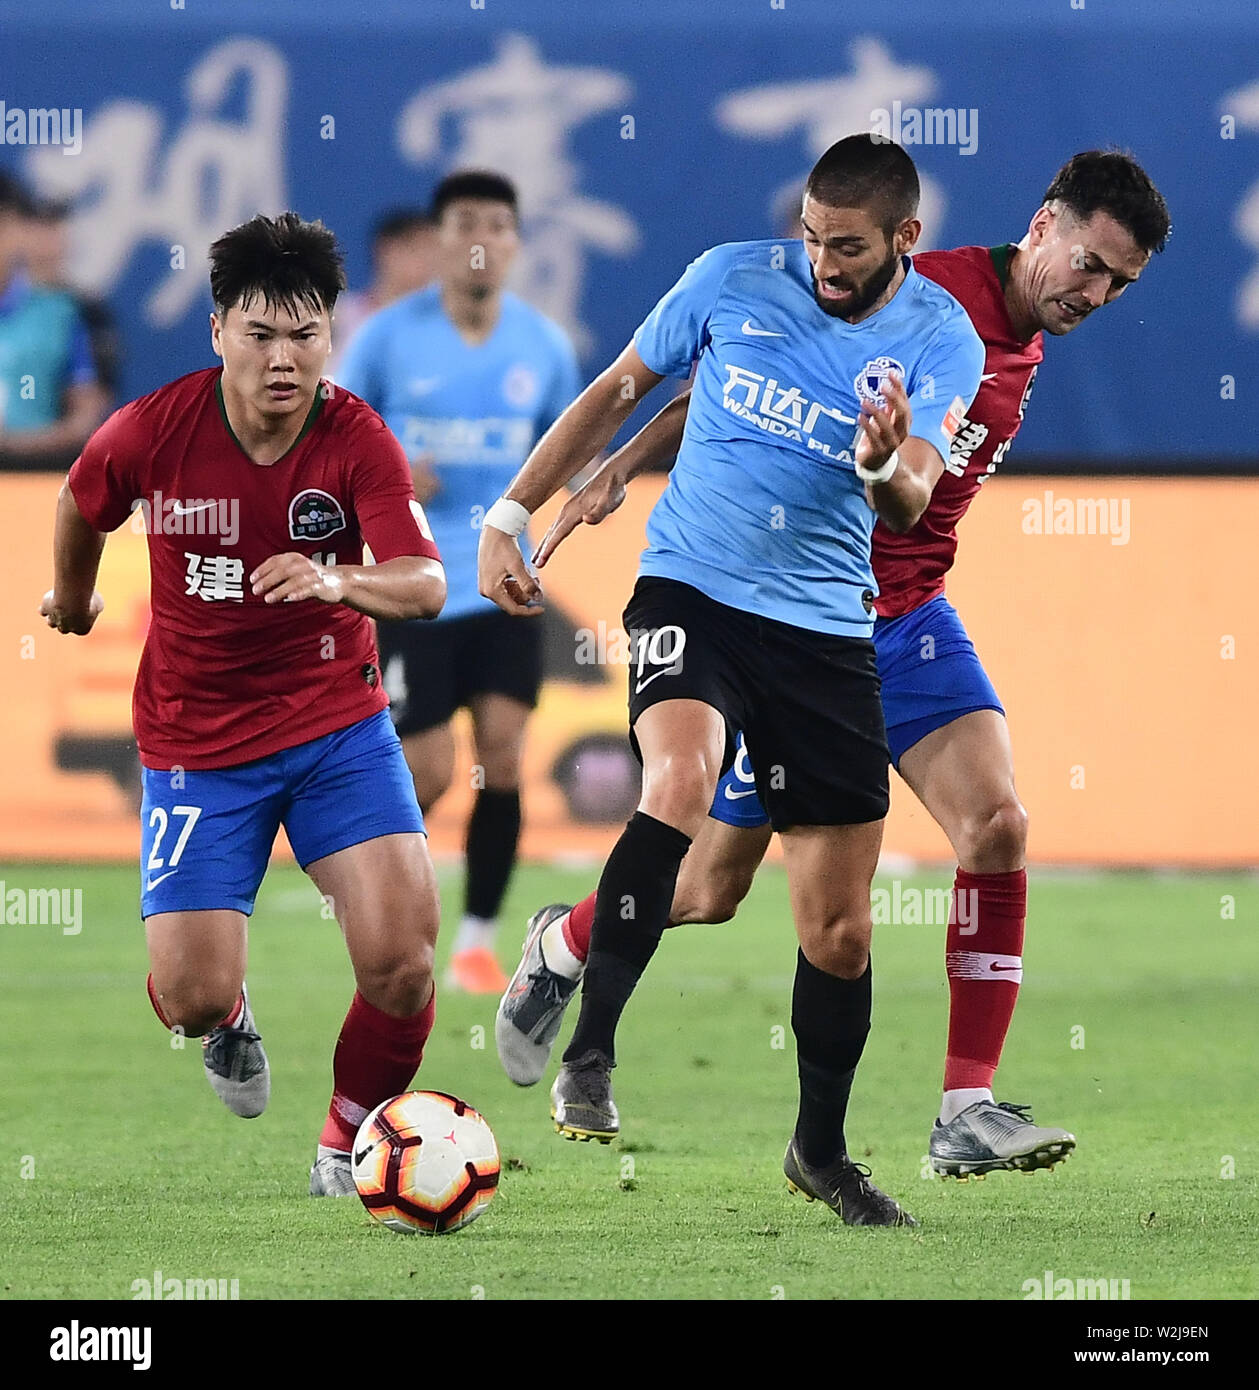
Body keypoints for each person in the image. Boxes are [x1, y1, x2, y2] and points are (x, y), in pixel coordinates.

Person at [497, 149, 1171, 1182]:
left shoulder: (1001, 332)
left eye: (1116, 283)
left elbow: (898, 478)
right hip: (794, 615)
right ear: (1040, 226)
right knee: (708, 888)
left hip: (904, 616)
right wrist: (616, 468)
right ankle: (568, 942)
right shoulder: (921, 290)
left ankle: (962, 1108)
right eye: (1085, 263)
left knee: (996, 824)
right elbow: (737, 378)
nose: (1093, 292)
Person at [479, 135, 985, 1226]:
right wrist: (511, 514)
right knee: (674, 779)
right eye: (809, 235)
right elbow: (620, 388)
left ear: (906, 238)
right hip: (690, 590)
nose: (820, 261)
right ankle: (593, 1051)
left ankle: (818, 1151)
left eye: (846, 246)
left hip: (820, 632)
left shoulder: (940, 337)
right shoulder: (727, 276)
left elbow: (909, 499)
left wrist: (875, 458)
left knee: (836, 931)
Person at [41, 211, 448, 1198]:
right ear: (218, 329)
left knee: (401, 961)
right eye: (261, 334)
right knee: (188, 994)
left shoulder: (356, 438)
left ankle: (345, 1141)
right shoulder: (153, 430)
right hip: (196, 744)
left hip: (335, 730)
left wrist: (335, 580)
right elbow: (80, 501)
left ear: (331, 336)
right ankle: (225, 1020)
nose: (283, 358)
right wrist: (76, 594)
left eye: (305, 334)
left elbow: (424, 584)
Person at [337, 170, 580, 995]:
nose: (481, 240)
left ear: (515, 242)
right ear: (439, 240)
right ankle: (370, 894)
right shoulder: (383, 338)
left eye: (498, 225)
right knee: (432, 769)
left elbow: (564, 448)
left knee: (505, 757)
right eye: (465, 223)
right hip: (414, 580)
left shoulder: (543, 344)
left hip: (504, 578)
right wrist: (391, 472)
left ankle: (476, 940)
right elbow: (327, 438)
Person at [0, 172, 108, 471]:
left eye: (1, 225)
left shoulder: (61, 314)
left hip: (33, 483)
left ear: (19, 231)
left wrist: (15, 447)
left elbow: (84, 417)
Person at [23, 195, 122, 405]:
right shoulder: (8, 302)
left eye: (54, 229)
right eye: (38, 228)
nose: (46, 241)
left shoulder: (86, 310)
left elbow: (99, 391)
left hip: (61, 432)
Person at [325, 208, 435, 378]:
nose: (429, 263)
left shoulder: (441, 328)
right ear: (386, 251)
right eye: (417, 250)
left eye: (433, 252)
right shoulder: (339, 318)